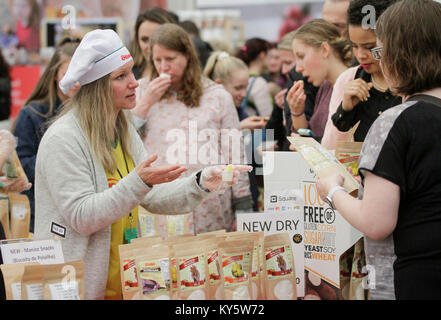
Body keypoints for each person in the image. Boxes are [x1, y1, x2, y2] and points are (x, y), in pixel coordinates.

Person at [33, 29, 251, 300]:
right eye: (121, 76)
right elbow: (82, 216)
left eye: (132, 72)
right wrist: (139, 181)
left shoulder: (121, 127)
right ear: (98, 86)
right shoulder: (64, 139)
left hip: (124, 284)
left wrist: (200, 182)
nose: (135, 83)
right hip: (78, 287)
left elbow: (152, 196)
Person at [317, 0, 441, 300]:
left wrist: (332, 191)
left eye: (380, 48)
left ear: (398, 53)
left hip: (413, 278)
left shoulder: (396, 122)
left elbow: (376, 223)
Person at [132, 24, 253, 234]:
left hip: (209, 206)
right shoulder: (141, 91)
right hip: (160, 207)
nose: (163, 67)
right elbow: (123, 142)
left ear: (187, 55)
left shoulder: (217, 95)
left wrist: (243, 205)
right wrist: (145, 103)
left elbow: (235, 153)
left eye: (170, 59)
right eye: (157, 60)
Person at [12, 38, 80, 233]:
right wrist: (59, 162)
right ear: (55, 75)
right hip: (39, 212)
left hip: (79, 212)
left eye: (81, 74)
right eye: (68, 73)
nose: (75, 82)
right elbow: (19, 165)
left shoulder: (93, 116)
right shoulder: (33, 114)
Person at [321, 0, 401, 150]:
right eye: (354, 46)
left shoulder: (411, 80)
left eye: (369, 47)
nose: (360, 55)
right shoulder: (348, 79)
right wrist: (345, 110)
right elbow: (329, 149)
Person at [204, 51, 266, 212]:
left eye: (246, 87)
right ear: (219, 85)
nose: (244, 94)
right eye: (238, 88)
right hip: (224, 196)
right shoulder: (207, 113)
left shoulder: (239, 109)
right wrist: (239, 127)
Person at [286, 19, 353, 142]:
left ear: (325, 50)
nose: (298, 68)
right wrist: (297, 112)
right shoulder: (325, 86)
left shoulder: (352, 85)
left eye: (301, 56)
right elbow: (308, 135)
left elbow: (344, 146)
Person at [131, 7, 178, 80]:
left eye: (157, 39)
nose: (150, 46)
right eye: (144, 40)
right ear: (137, 41)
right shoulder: (130, 72)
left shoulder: (179, 74)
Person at [235, 38, 273, 118]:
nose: (271, 60)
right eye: (269, 56)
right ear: (262, 55)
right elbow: (267, 118)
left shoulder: (238, 77)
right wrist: (271, 130)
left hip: (243, 127)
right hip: (256, 129)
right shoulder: (259, 83)